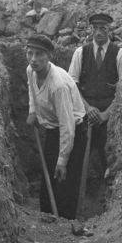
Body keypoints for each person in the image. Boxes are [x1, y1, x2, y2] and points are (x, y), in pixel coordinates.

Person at [25, 34, 87, 219]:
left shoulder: (58, 85)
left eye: (39, 54)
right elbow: (31, 88)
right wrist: (32, 110)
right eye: (30, 53)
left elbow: (67, 125)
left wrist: (63, 160)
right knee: (49, 177)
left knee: (64, 178)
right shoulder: (31, 70)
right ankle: (47, 217)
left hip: (74, 132)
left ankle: (67, 223)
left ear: (49, 56)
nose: (33, 59)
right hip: (53, 129)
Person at [67, 14, 122, 190]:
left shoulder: (121, 55)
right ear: (91, 30)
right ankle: (77, 187)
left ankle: (106, 190)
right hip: (84, 111)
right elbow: (72, 86)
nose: (99, 32)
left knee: (107, 153)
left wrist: (105, 114)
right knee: (77, 150)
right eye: (95, 28)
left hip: (109, 114)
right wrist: (88, 109)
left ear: (110, 30)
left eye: (103, 28)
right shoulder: (81, 53)